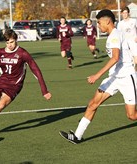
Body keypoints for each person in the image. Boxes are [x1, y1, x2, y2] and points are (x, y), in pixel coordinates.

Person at [59, 9, 137, 144]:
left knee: (131, 116)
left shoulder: (115, 35)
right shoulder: (113, 35)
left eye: (99, 22)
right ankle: (77, 136)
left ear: (108, 21)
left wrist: (97, 75)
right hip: (113, 78)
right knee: (92, 104)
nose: (98, 26)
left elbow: (115, 58)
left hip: (126, 79)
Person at [117, 6, 137, 71]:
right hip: (125, 44)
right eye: (123, 13)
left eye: (126, 13)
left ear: (128, 13)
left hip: (134, 42)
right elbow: (119, 34)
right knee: (129, 61)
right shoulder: (120, 24)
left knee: (136, 59)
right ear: (121, 14)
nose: (125, 14)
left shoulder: (134, 21)